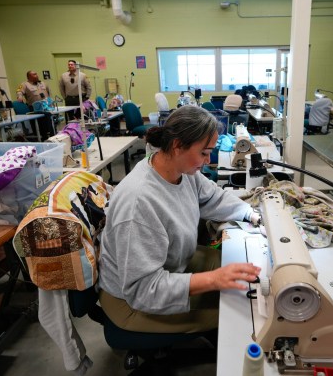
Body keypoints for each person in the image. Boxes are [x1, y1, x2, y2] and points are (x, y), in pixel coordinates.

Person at [98, 106, 261, 335]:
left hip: (173, 263)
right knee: (242, 311)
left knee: (240, 270)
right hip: (132, 301)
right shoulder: (139, 203)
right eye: (204, 153)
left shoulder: (181, 171)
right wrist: (213, 279)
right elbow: (143, 289)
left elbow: (213, 196)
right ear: (177, 146)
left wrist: (250, 213)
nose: (208, 160)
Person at [15, 71, 54, 140]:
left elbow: (49, 93)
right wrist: (19, 96)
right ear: (29, 77)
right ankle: (41, 139)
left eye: (36, 74)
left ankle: (51, 137)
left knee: (49, 126)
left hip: (46, 107)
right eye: (34, 74)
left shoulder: (42, 83)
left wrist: (52, 103)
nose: (36, 75)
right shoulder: (25, 84)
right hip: (34, 109)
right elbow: (19, 91)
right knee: (39, 127)